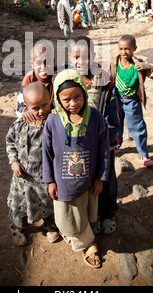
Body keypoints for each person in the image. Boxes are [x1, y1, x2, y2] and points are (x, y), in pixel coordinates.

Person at [42, 69, 110, 268]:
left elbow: (104, 151)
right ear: (57, 99)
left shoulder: (96, 118)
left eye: (78, 96)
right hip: (63, 184)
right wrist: (50, 180)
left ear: (85, 93)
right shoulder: (53, 121)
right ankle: (88, 243)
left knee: (85, 210)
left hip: (88, 180)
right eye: (66, 99)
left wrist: (100, 178)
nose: (73, 103)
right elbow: (46, 153)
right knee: (68, 216)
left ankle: (84, 236)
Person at [68, 37, 120, 235]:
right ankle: (93, 215)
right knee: (86, 181)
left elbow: (113, 113)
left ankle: (107, 213)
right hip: (79, 145)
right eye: (75, 57)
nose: (79, 62)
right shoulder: (68, 80)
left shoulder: (104, 81)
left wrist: (111, 139)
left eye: (85, 57)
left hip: (103, 144)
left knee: (106, 180)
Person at [6, 82, 58, 246]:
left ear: (51, 100)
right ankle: (17, 227)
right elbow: (10, 143)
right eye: (35, 108)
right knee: (20, 205)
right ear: (27, 107)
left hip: (45, 176)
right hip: (23, 178)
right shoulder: (20, 124)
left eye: (45, 105)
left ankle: (49, 224)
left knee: (47, 202)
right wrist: (14, 162)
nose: (41, 111)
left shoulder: (53, 122)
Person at [110, 34, 153, 167]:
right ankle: (117, 145)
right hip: (117, 100)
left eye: (127, 49)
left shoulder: (139, 64)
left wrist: (148, 67)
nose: (124, 52)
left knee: (137, 127)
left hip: (132, 102)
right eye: (121, 49)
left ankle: (143, 154)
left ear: (134, 48)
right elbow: (107, 78)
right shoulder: (114, 63)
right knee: (116, 124)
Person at [16, 40, 55, 120]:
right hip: (36, 116)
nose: (44, 66)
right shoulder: (29, 79)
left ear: (53, 61)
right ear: (32, 65)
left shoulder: (57, 77)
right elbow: (20, 106)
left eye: (47, 62)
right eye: (39, 63)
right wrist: (26, 111)